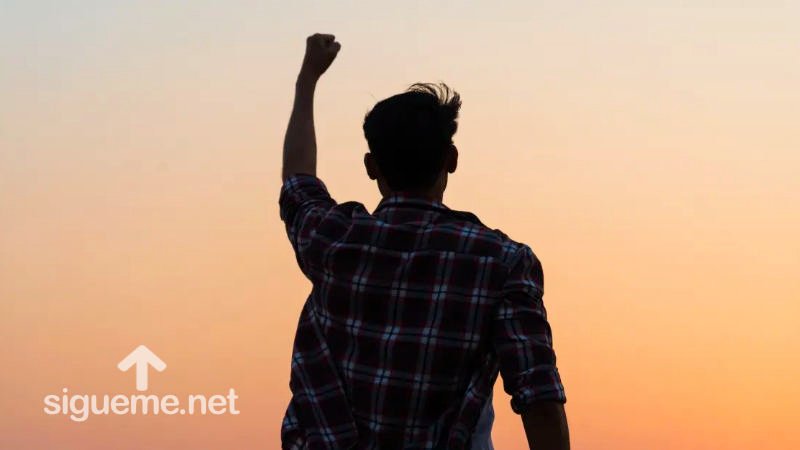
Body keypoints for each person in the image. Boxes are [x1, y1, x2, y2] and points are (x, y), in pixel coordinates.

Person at [279, 33, 570, 450]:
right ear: (451, 159)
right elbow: (537, 393)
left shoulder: (331, 239)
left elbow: (297, 178)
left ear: (370, 166)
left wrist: (307, 79)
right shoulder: (501, 263)